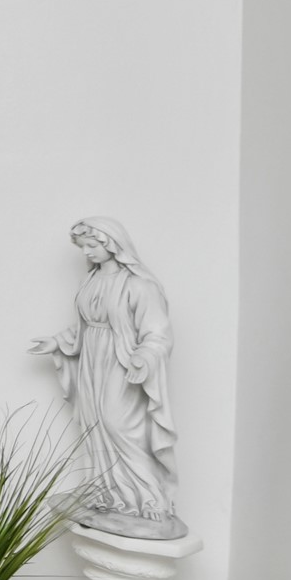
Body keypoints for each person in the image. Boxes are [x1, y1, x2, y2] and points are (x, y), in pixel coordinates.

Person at [28, 217, 186, 539]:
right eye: (83, 247)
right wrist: (58, 342)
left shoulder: (139, 285)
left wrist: (143, 356)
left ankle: (149, 497)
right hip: (91, 361)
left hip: (120, 362)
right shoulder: (91, 281)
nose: (87, 252)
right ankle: (107, 494)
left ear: (112, 243)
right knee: (93, 424)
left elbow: (157, 333)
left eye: (92, 245)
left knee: (119, 425)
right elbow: (86, 326)